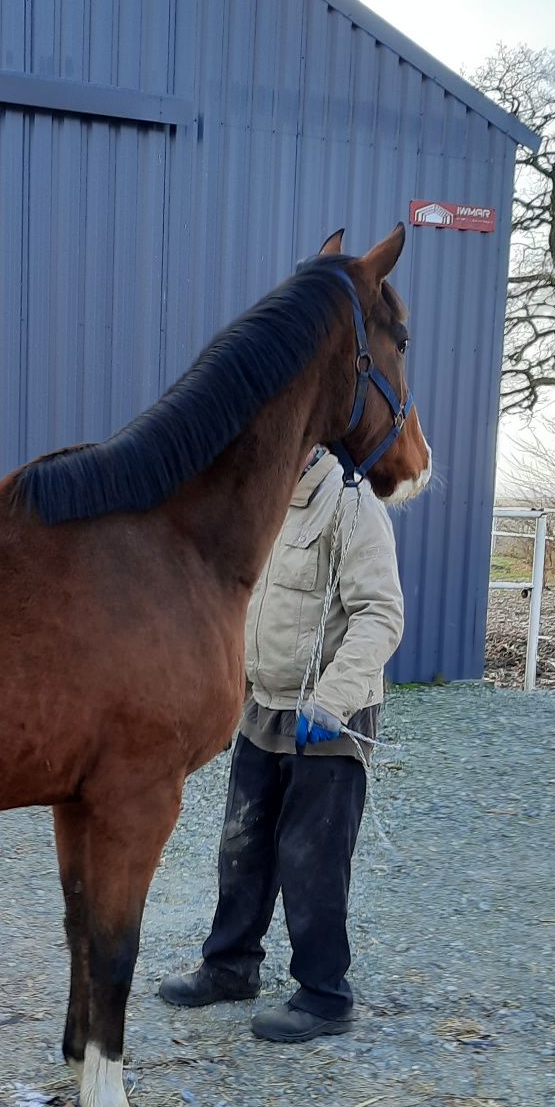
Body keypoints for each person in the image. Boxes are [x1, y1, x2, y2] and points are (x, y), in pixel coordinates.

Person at [159, 446, 405, 1042]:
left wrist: (333, 698)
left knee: (312, 858)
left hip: (328, 714)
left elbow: (381, 614)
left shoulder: (351, 504)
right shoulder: (266, 501)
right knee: (242, 844)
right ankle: (230, 967)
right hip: (264, 705)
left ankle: (324, 995)